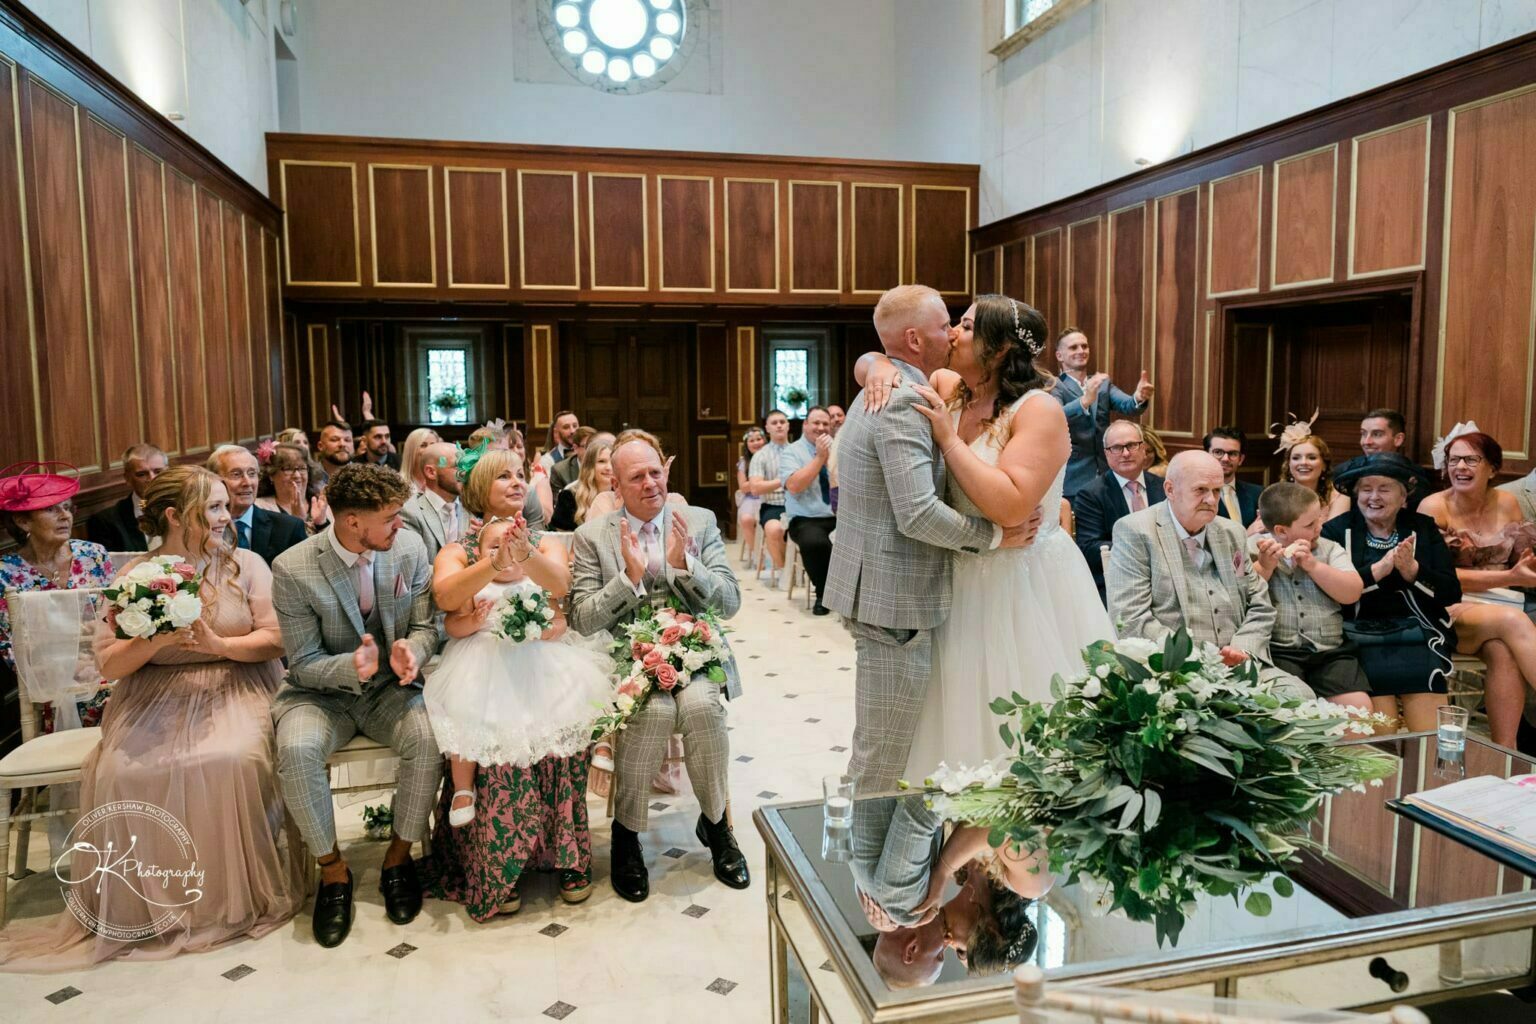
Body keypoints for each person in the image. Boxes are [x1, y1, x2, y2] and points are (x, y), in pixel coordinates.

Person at [0, 466, 302, 969]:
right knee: (125, 769)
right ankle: (151, 906)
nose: (228, 517)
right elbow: (110, 663)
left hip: (237, 683)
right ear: (173, 516)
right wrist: (153, 640)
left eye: (226, 505)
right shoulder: (134, 577)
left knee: (230, 757)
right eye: (214, 508)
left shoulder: (245, 565)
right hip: (152, 692)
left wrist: (219, 644)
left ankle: (223, 900)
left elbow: (275, 638)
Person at [865, 295, 1111, 774]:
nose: (954, 331)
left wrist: (948, 439)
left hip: (1022, 582)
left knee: (1019, 724)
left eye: (968, 325)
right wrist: (875, 366)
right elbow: (882, 356)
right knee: (952, 719)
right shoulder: (950, 386)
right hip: (959, 573)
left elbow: (1010, 505)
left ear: (998, 350)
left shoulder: (1037, 409)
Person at [826, 285, 1036, 792]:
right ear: (917, 339)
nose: (954, 332)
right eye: (947, 324)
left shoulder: (900, 385)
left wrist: (872, 359)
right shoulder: (902, 399)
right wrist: (994, 538)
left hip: (886, 589)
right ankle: (858, 867)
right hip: (894, 599)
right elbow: (917, 515)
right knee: (881, 758)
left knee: (892, 744)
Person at [424, 445, 609, 917]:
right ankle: (501, 864)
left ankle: (566, 856)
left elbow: (560, 587)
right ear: (480, 488)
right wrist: (492, 561)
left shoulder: (544, 540)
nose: (515, 481)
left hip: (542, 661)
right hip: (483, 664)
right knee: (497, 752)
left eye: (519, 474)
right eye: (502, 475)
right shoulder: (457, 550)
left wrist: (523, 552)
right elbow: (447, 597)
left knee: (559, 747)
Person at [269, 463, 444, 948]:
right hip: (319, 695)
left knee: (429, 739)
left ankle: (398, 857)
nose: (400, 525)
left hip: (390, 688)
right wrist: (350, 666)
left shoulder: (407, 549)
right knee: (298, 751)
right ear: (351, 522)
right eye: (390, 517)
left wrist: (414, 650)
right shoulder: (293, 568)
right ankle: (333, 872)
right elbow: (301, 663)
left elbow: (430, 626)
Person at [569, 432, 748, 903]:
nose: (650, 483)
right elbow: (582, 617)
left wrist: (685, 564)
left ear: (666, 471)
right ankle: (627, 833)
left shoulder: (700, 521)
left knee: (705, 708)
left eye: (655, 472)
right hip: (627, 657)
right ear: (616, 486)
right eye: (637, 477)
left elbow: (730, 603)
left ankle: (716, 826)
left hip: (693, 647)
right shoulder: (593, 537)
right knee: (651, 713)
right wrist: (628, 579)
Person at [1106, 450, 1312, 699]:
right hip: (1175, 670)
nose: (1212, 500)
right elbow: (1131, 618)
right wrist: (1199, 659)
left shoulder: (1231, 532)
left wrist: (1242, 650)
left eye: (1217, 491)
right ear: (1170, 490)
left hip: (1239, 665)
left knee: (1301, 698)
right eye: (1200, 490)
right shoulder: (1136, 531)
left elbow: (1260, 604)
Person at [1323, 453, 1460, 732]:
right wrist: (1378, 571)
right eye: (1366, 488)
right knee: (1383, 737)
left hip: (1416, 635)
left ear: (1403, 496)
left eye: (1384, 488)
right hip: (1356, 638)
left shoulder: (1422, 527)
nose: (1374, 497)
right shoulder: (1336, 530)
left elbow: (1450, 593)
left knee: (1428, 735)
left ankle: (1429, 776)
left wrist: (1413, 571)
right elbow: (1330, 592)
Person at [1416, 428, 1536, 747]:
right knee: (1513, 624)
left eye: (1472, 459)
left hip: (1503, 605)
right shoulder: (1432, 507)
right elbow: (1437, 577)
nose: (1460, 467)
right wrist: (1511, 577)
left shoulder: (1508, 503)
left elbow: (1525, 562)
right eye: (1454, 459)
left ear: (1492, 468)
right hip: (1447, 608)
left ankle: (1504, 755)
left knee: (1504, 651)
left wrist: (1524, 570)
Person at [0, 462, 115, 731]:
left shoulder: (93, 554)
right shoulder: (5, 574)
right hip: (51, 682)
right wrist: (68, 667)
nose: (65, 516)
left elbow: (115, 615)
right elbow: (13, 647)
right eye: (51, 509)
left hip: (107, 665)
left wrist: (100, 660)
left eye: (67, 507)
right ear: (22, 520)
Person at [1249, 482, 1372, 714]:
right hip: (1277, 650)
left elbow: (1352, 592)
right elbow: (1240, 596)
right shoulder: (1252, 549)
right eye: (1310, 524)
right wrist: (1264, 567)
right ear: (1281, 530)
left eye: (1319, 519)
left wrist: (1314, 566)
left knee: (1359, 709)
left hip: (1329, 651)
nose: (1319, 527)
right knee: (1289, 707)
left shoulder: (1330, 549)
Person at [1048, 327, 1153, 498]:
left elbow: (1128, 405)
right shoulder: (1053, 385)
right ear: (1059, 355)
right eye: (1074, 347)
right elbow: (1055, 418)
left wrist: (1139, 397)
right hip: (1073, 478)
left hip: (1108, 473)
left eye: (1084, 346)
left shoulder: (1101, 383)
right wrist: (1084, 401)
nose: (1081, 351)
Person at [1071, 420, 1166, 603]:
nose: (1125, 453)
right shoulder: (1091, 494)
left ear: (1144, 448)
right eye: (1116, 448)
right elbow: (1090, 548)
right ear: (1106, 453)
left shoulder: (1163, 487)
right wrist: (1144, 549)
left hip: (1166, 579)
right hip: (1116, 582)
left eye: (1131, 445)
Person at [779, 406, 838, 615]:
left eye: (825, 424)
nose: (821, 428)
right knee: (815, 542)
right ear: (805, 425)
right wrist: (820, 458)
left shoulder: (839, 447)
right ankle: (825, 593)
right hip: (805, 517)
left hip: (837, 514)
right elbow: (794, 486)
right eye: (816, 423)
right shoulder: (791, 452)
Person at [208, 445, 308, 565]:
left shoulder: (288, 528)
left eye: (252, 474)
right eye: (236, 474)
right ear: (215, 479)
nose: (247, 482)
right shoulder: (203, 527)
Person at [87, 443, 167, 553]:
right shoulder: (105, 522)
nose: (152, 479)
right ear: (127, 478)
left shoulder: (184, 509)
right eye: (142, 474)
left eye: (158, 472)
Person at [398, 441, 468, 563]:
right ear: (431, 472)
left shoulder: (472, 506)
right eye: (458, 466)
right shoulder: (409, 512)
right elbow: (416, 569)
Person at [1275, 416, 1350, 520]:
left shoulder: (1339, 498)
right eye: (1296, 458)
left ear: (1324, 464)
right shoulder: (1276, 497)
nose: (1303, 462)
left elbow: (1333, 534)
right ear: (1288, 465)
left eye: (1312, 457)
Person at [747, 410, 792, 578]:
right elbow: (755, 488)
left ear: (788, 426)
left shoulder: (797, 450)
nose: (779, 425)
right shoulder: (761, 455)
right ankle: (784, 572)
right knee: (774, 529)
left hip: (799, 503)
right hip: (773, 505)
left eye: (782, 421)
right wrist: (785, 480)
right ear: (767, 428)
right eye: (774, 422)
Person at [256, 442, 330, 534]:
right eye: (288, 469)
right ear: (271, 474)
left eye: (302, 468)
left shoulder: (321, 503)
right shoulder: (260, 508)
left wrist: (321, 524)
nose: (297, 475)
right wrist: (296, 522)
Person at [550, 435, 615, 532]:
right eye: (601, 461)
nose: (609, 467)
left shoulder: (624, 496)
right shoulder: (568, 497)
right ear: (590, 465)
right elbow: (561, 539)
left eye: (613, 462)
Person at [1204, 427, 1262, 528]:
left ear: (1241, 459)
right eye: (1218, 452)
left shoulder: (1257, 494)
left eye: (1232, 454)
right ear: (1206, 455)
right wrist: (1246, 535)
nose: (1225, 459)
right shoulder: (1197, 494)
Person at [734, 426, 768, 565]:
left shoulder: (770, 458)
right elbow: (743, 486)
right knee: (746, 519)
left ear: (765, 440)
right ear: (747, 444)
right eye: (752, 440)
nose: (756, 443)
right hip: (750, 498)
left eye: (759, 439)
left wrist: (755, 483)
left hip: (768, 496)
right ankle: (757, 554)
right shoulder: (744, 462)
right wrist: (760, 481)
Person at [550, 425, 598, 492]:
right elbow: (558, 501)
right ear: (575, 448)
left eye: (595, 446)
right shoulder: (560, 471)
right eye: (587, 446)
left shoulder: (607, 467)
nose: (593, 450)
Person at [398, 427, 440, 493]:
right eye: (423, 445)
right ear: (411, 450)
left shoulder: (443, 482)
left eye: (433, 445)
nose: (429, 449)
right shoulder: (398, 484)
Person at [314, 418, 354, 485]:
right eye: (334, 439)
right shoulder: (309, 477)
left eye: (347, 440)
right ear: (320, 446)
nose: (342, 444)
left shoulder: (366, 476)